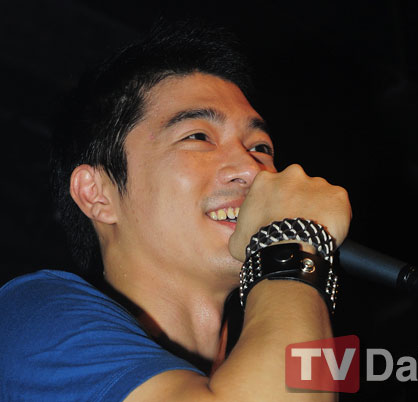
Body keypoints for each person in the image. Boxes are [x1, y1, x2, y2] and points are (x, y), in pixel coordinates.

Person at [0, 20, 351, 401]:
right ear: (96, 194)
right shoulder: (32, 314)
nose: (253, 171)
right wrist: (290, 240)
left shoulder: (267, 353)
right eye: (198, 137)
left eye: (260, 147)